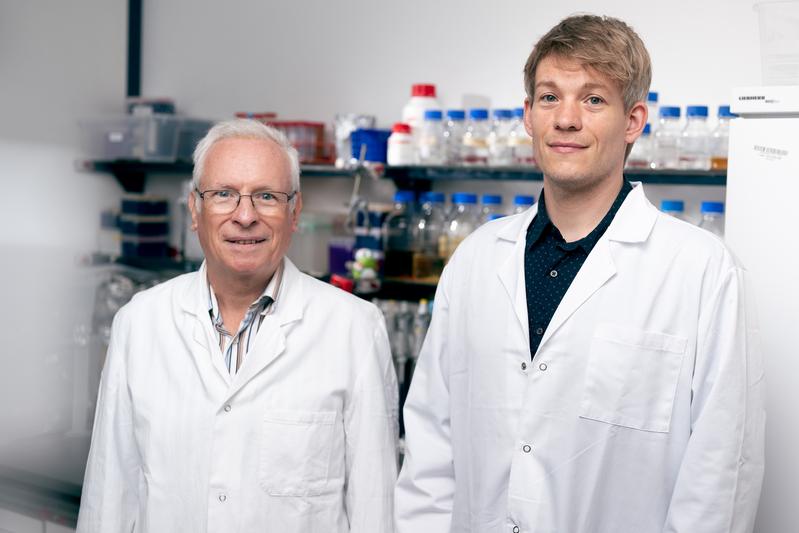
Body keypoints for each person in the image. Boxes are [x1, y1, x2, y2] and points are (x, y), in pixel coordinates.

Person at [395, 14, 764, 533]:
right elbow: (430, 445)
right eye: (549, 97)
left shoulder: (702, 270)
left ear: (633, 121)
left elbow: (721, 472)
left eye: (593, 99)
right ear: (528, 115)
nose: (566, 119)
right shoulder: (477, 259)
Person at [77, 119, 398, 532]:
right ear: (194, 210)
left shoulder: (354, 329)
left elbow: (376, 507)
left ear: (294, 211)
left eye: (266, 196)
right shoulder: (140, 323)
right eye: (223, 194)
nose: (244, 216)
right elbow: (110, 498)